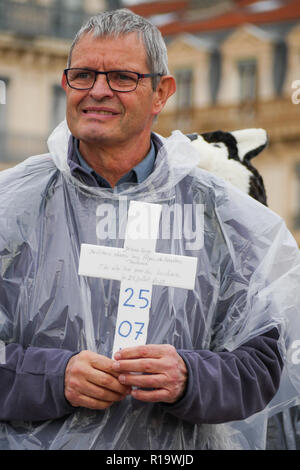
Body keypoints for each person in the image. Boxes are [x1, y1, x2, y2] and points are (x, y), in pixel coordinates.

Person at [0, 8, 299, 450]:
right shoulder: (12, 204)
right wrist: (52, 377)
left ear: (161, 92)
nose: (98, 91)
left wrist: (190, 377)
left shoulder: (223, 215)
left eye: (122, 77)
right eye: (83, 74)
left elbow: (262, 365)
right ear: (66, 83)